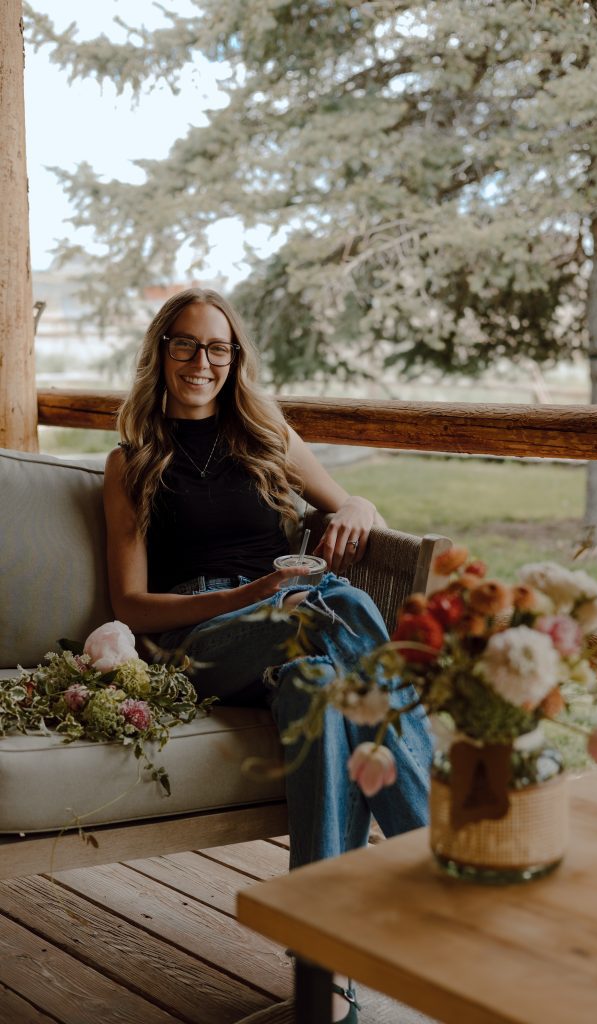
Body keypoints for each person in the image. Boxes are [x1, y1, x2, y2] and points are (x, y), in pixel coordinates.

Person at [103, 287, 431, 1023]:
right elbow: (131, 605)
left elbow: (353, 506)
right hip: (199, 637)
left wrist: (353, 509)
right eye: (185, 344)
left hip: (294, 623)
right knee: (337, 606)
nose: (201, 361)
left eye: (217, 348)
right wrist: (243, 594)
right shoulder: (130, 463)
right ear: (161, 353)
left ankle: (323, 980)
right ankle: (433, 841)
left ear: (235, 358)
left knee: (317, 683)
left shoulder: (267, 437)